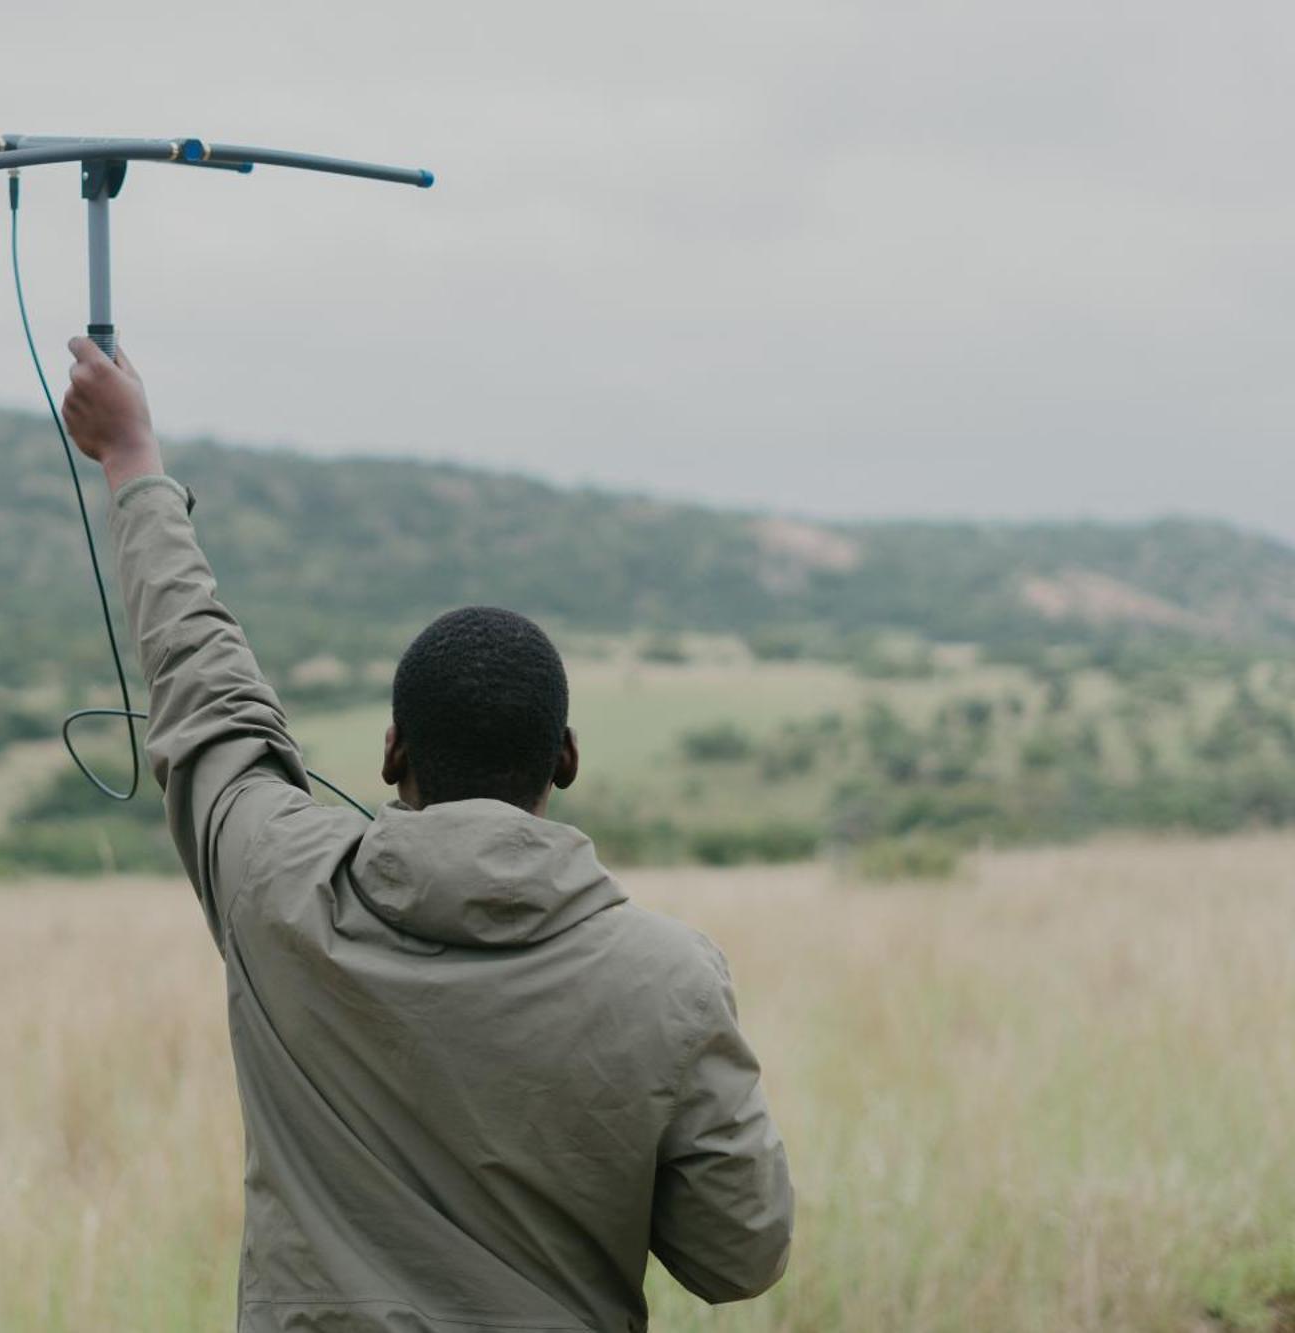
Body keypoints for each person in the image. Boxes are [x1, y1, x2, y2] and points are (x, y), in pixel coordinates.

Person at [62, 336, 793, 1333]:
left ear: (392, 749)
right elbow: (734, 1255)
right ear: (563, 758)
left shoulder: (275, 886)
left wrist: (132, 461)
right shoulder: (667, 978)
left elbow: (205, 686)